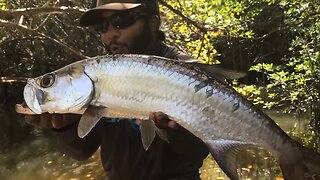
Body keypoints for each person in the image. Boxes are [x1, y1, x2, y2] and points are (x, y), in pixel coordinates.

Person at [24, 0, 209, 179]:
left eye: (122, 21)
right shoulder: (97, 79)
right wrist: (65, 127)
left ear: (153, 22)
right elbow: (82, 151)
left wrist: (174, 132)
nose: (109, 35)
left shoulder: (195, 76)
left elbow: (199, 151)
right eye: (102, 27)